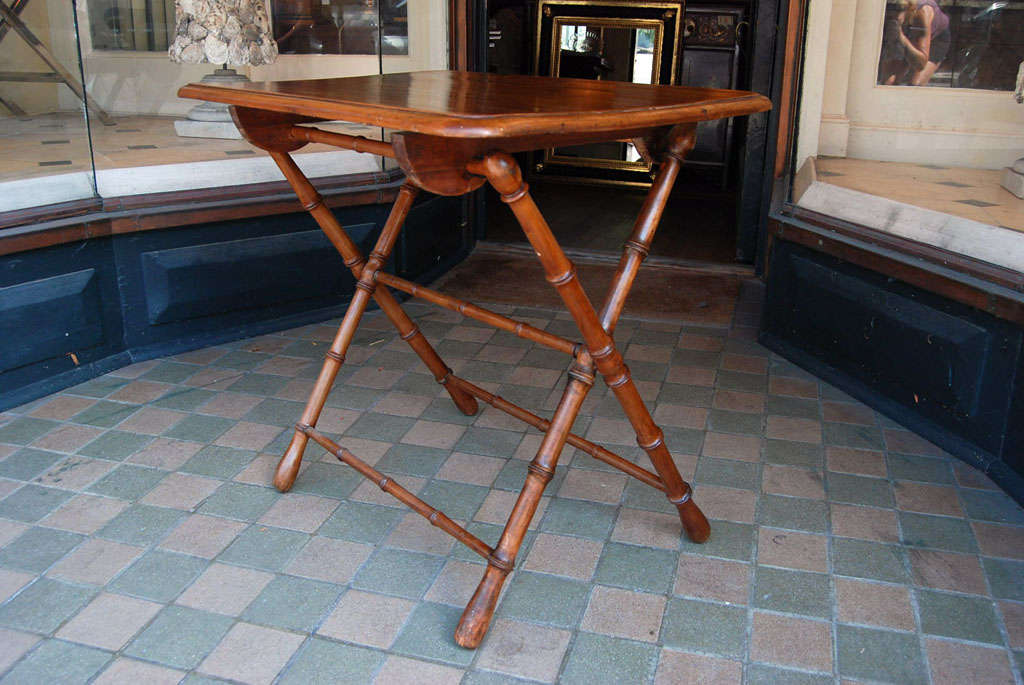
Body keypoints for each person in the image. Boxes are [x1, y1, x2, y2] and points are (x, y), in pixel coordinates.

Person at [879, 0, 951, 86]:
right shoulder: (889, 16)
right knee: (888, 82)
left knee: (915, 84)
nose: (895, 15)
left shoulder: (922, 13)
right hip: (907, 32)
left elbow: (920, 64)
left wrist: (902, 38)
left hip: (936, 39)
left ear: (909, 8)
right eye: (891, 9)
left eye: (900, 10)